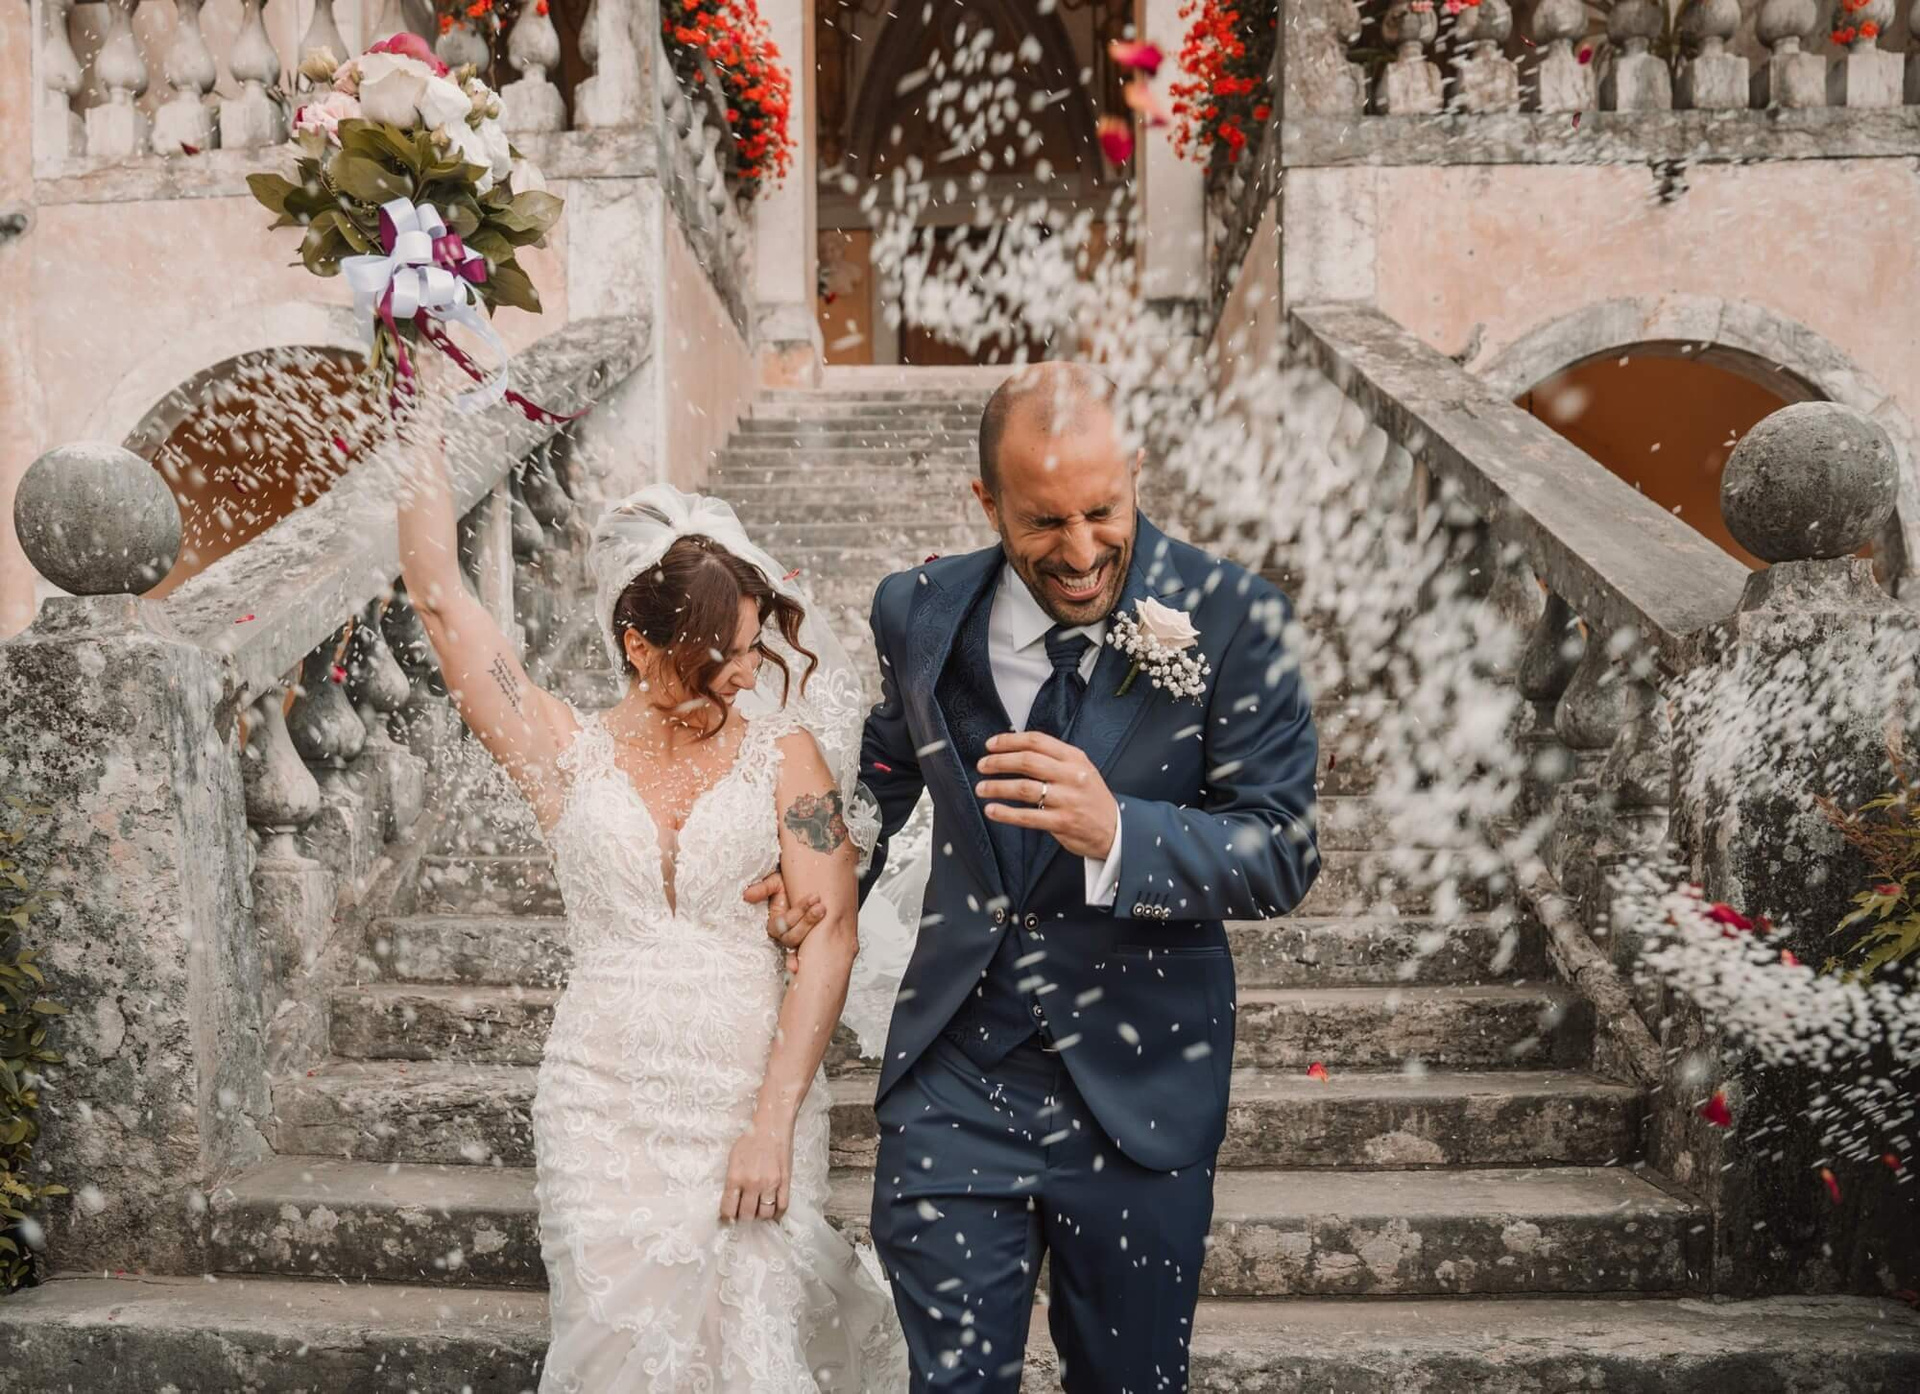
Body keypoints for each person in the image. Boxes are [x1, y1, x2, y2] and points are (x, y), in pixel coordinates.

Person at [395, 414, 906, 1390]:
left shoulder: (784, 756)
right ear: (639, 644)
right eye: (730, 652)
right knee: (614, 1351)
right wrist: (413, 406)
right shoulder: (563, 750)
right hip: (599, 1102)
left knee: (751, 1350)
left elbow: (831, 935)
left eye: (756, 646)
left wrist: (772, 1120)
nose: (752, 672)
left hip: (745, 1094)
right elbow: (441, 599)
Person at [857, 363, 1321, 1390]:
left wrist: (1122, 833)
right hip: (956, 1075)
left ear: (1136, 470)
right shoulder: (915, 610)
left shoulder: (1236, 617)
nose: (1079, 551)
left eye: (1103, 511)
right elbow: (880, 774)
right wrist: (821, 864)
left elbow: (1283, 848)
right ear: (987, 502)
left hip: (1140, 1089)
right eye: (1043, 520)